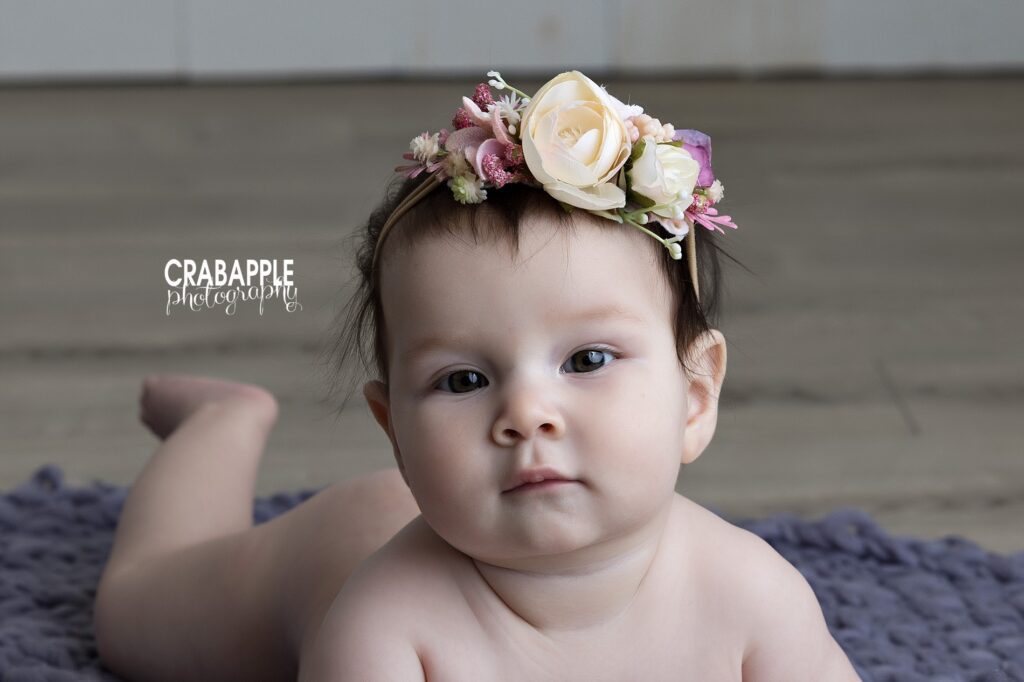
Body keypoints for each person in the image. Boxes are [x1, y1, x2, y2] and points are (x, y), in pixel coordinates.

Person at [93, 70, 861, 681]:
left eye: (587, 361)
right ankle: (222, 421)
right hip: (324, 554)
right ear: (394, 430)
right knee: (132, 616)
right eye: (462, 381)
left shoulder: (752, 596)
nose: (526, 414)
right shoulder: (387, 630)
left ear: (694, 399)